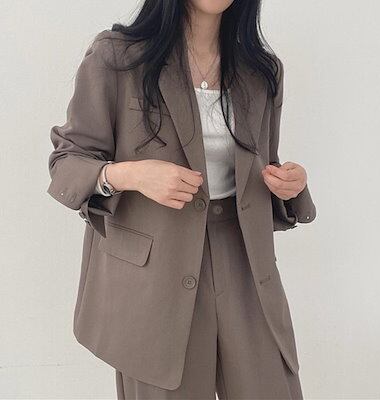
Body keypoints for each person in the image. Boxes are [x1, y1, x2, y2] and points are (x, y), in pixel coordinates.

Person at [46, 1, 316, 398]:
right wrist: (133, 174)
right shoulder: (117, 57)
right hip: (154, 271)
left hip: (244, 262)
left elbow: (263, 165)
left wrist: (290, 183)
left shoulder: (261, 70)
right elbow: (67, 163)